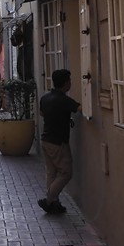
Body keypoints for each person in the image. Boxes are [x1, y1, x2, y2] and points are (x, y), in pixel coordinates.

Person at [37, 69, 82, 215]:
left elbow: (42, 113)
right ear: (65, 83)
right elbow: (80, 108)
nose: (71, 83)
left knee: (51, 172)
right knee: (66, 173)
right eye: (69, 80)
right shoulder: (64, 100)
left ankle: (54, 203)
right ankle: (49, 199)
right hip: (58, 142)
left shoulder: (45, 98)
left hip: (46, 139)